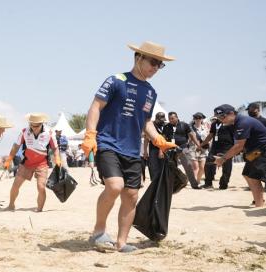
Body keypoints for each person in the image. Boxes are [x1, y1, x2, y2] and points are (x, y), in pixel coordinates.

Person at [82, 41, 176, 253]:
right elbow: (96, 106)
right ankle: (98, 231)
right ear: (138, 57)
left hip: (132, 150)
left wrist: (158, 139)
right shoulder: (116, 80)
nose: (155, 68)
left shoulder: (151, 92)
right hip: (108, 143)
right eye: (153, 62)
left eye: (160, 65)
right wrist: (90, 134)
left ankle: (121, 242)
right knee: (115, 186)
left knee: (131, 195)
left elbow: (146, 122)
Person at [5, 113, 61, 212]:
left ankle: (39, 210)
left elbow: (55, 148)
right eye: (31, 125)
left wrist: (57, 159)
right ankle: (11, 205)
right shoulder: (24, 132)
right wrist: (9, 159)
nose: (33, 128)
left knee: (41, 187)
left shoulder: (49, 133)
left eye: (36, 126)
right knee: (15, 185)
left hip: (42, 164)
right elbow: (16, 146)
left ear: (41, 123)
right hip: (27, 163)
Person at [213, 104, 266, 207]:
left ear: (232, 113)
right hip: (255, 152)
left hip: (262, 150)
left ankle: (259, 204)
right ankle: (259, 202)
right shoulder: (235, 123)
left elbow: (238, 146)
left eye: (222, 116)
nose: (220, 119)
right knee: (248, 175)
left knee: (255, 176)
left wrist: (223, 159)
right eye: (218, 117)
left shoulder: (242, 122)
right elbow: (240, 145)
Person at [162, 111, 202, 189]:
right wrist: (162, 149)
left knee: (188, 166)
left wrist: (198, 145)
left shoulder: (184, 125)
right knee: (172, 167)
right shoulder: (166, 127)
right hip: (171, 149)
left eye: (172, 118)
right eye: (169, 119)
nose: (171, 120)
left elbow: (192, 136)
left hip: (183, 149)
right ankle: (173, 184)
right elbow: (163, 138)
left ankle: (194, 184)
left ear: (177, 117)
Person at [201, 117, 234, 189]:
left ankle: (224, 184)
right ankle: (208, 183)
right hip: (215, 148)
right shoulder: (214, 124)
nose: (218, 116)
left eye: (220, 114)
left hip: (227, 148)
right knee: (208, 164)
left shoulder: (230, 123)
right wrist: (202, 144)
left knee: (227, 166)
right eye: (216, 114)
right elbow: (210, 135)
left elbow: (235, 135)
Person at [143, 112, 167, 182]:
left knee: (162, 166)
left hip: (162, 149)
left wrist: (161, 150)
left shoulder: (164, 126)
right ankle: (154, 182)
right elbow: (146, 139)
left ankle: (160, 182)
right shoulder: (151, 126)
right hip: (153, 149)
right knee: (153, 167)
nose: (163, 121)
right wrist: (145, 151)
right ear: (157, 119)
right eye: (161, 120)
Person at [187, 112, 210, 185]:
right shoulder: (190, 128)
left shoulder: (206, 128)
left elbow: (208, 137)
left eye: (199, 118)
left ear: (202, 119)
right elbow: (188, 139)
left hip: (203, 149)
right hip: (193, 149)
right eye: (196, 118)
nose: (198, 119)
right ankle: (194, 183)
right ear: (194, 119)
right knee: (195, 167)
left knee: (202, 168)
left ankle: (198, 181)